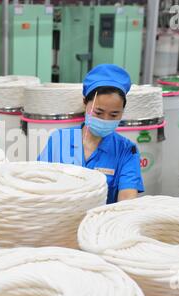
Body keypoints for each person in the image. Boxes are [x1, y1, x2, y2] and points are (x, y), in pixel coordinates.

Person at [38, 64, 144, 204]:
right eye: (98, 113)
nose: (105, 120)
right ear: (85, 103)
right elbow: (39, 183)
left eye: (114, 115)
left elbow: (127, 200)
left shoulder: (126, 151)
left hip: (101, 223)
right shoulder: (59, 139)